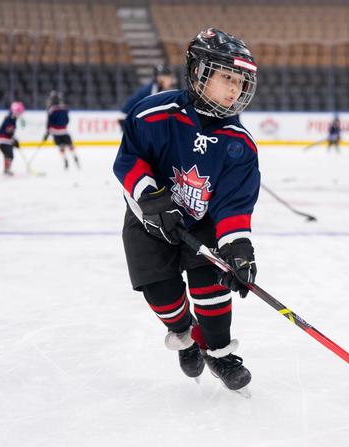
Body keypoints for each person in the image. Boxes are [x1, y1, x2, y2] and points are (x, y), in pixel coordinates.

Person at [112, 28, 260, 391]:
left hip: (203, 223)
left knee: (212, 292)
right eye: (227, 78)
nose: (235, 89)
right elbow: (128, 159)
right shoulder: (153, 114)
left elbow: (234, 204)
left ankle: (220, 353)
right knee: (160, 292)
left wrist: (238, 249)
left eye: (241, 82)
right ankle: (184, 334)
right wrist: (152, 198)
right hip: (149, 220)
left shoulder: (239, 143)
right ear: (199, 72)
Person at [43, 91, 80, 169]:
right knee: (70, 145)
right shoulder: (65, 108)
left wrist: (47, 132)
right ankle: (74, 156)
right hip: (64, 131)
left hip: (56, 132)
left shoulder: (51, 109)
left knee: (61, 147)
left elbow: (49, 122)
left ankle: (65, 159)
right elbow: (67, 120)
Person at [0, 101, 24, 176]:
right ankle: (7, 170)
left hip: (4, 140)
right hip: (3, 140)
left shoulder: (12, 118)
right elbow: (9, 130)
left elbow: (10, 132)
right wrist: (14, 140)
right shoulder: (10, 117)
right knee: (9, 155)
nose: (20, 114)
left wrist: (14, 139)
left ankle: (6, 169)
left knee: (8, 155)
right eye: (19, 112)